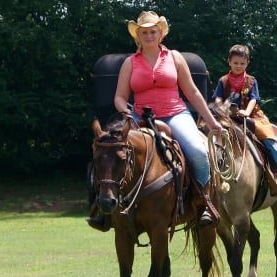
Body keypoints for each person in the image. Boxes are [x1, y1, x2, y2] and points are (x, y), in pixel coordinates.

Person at [87, 11, 222, 230]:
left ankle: (202, 202)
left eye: (153, 31)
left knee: (198, 151)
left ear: (160, 34)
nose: (149, 36)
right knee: (109, 150)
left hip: (175, 113)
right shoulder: (130, 63)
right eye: (144, 32)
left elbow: (194, 93)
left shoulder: (175, 57)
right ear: (137, 36)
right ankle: (103, 210)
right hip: (141, 117)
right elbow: (120, 98)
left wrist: (212, 122)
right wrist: (127, 113)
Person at [212, 44, 277, 182]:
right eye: (235, 63)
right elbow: (218, 98)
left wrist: (246, 112)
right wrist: (220, 108)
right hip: (228, 115)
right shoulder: (223, 80)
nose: (238, 66)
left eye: (242, 63)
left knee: (266, 135)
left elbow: (253, 99)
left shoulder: (251, 81)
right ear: (229, 61)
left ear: (247, 63)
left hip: (251, 115)